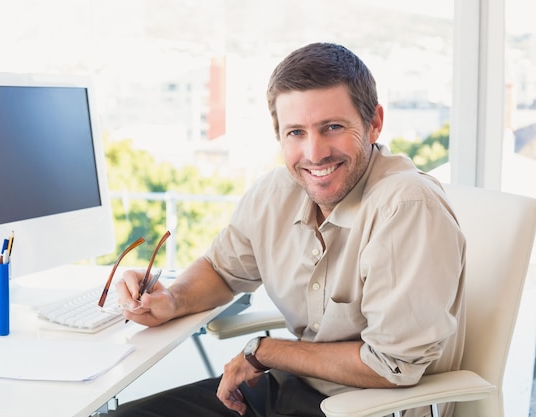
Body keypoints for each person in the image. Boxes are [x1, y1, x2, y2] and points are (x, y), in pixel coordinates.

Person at [112, 42, 466, 417]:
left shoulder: (405, 206)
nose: (315, 153)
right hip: (291, 392)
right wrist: (171, 299)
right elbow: (222, 269)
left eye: (332, 127)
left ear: (374, 123)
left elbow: (391, 365)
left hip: (372, 408)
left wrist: (267, 351)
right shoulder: (275, 192)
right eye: (296, 132)